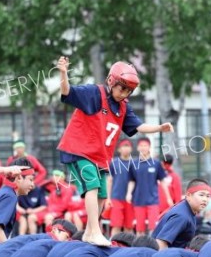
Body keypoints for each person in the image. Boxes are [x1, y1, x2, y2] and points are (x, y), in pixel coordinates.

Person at [57, 56, 174, 246]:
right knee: (92, 187)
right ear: (111, 81)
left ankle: (88, 232)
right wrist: (63, 73)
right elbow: (67, 92)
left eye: (129, 91)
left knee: (102, 194)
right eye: (122, 88)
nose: (124, 94)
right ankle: (95, 231)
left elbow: (139, 126)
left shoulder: (123, 108)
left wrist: (160, 128)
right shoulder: (94, 93)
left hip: (99, 157)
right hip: (79, 151)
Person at [126, 137, 173, 236]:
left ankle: (153, 249)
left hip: (152, 200)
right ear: (138, 148)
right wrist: (129, 194)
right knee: (140, 229)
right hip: (138, 200)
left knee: (153, 228)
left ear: (149, 147)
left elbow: (163, 181)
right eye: (141, 146)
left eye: (145, 145)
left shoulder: (156, 164)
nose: (143, 148)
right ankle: (140, 248)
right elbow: (131, 181)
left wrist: (169, 198)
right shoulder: (133, 164)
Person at [152, 179, 211, 250]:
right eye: (201, 195)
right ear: (189, 195)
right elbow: (161, 242)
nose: (205, 199)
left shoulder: (187, 209)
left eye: (208, 196)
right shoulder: (181, 216)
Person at [108, 139, 136, 236]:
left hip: (130, 200)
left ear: (131, 149)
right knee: (116, 225)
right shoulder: (114, 163)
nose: (126, 148)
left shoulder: (135, 163)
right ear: (119, 149)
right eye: (123, 146)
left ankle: (131, 248)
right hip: (116, 197)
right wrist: (108, 197)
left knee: (129, 227)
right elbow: (109, 180)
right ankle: (112, 247)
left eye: (127, 146)